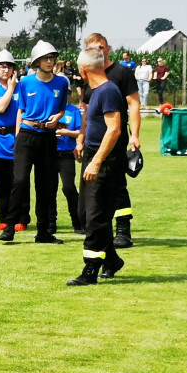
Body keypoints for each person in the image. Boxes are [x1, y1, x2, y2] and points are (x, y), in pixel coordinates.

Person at [0, 41, 68, 245]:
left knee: (46, 185)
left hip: (48, 137)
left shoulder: (62, 83)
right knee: (19, 180)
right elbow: (21, 110)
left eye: (52, 57)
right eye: (46, 58)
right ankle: (10, 225)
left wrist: (58, 117)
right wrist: (19, 136)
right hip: (27, 135)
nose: (50, 61)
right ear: (37, 61)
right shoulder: (26, 82)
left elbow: (62, 107)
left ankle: (43, 231)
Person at [68, 47, 126, 286]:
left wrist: (97, 161)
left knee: (96, 217)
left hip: (104, 161)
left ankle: (90, 269)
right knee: (84, 213)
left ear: (83, 70)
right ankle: (111, 259)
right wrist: (82, 142)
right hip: (91, 154)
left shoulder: (109, 90)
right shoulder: (95, 91)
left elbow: (114, 129)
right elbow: (92, 122)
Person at [83, 33, 141, 250]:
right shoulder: (89, 74)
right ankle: (98, 232)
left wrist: (134, 135)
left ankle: (123, 229)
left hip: (114, 135)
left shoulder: (121, 73)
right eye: (92, 48)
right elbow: (86, 109)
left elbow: (133, 105)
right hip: (93, 139)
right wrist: (81, 138)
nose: (97, 51)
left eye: (101, 47)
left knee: (117, 184)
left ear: (108, 49)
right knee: (96, 189)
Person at [0, 50, 30, 232]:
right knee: (1, 183)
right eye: (1, 66)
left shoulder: (23, 88)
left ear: (14, 70)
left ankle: (22, 218)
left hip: (18, 138)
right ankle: (4, 218)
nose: (5, 70)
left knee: (20, 180)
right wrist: (10, 89)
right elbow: (0, 108)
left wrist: (14, 87)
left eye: (8, 66)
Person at [52, 102, 83, 234]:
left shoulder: (73, 110)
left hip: (67, 154)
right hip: (50, 154)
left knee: (69, 187)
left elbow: (80, 132)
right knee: (49, 188)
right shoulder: (50, 106)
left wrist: (66, 132)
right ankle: (50, 222)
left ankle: (78, 222)